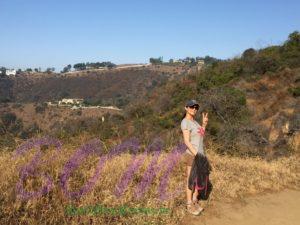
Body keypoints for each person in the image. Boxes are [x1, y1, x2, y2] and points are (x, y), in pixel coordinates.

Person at [180, 99, 208, 216]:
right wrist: (196, 154)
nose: (194, 109)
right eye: (191, 107)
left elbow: (201, 136)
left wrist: (204, 124)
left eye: (196, 107)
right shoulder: (185, 122)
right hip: (192, 155)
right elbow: (186, 141)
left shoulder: (195, 123)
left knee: (197, 180)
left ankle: (195, 201)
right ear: (186, 108)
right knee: (191, 180)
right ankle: (189, 204)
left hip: (200, 154)